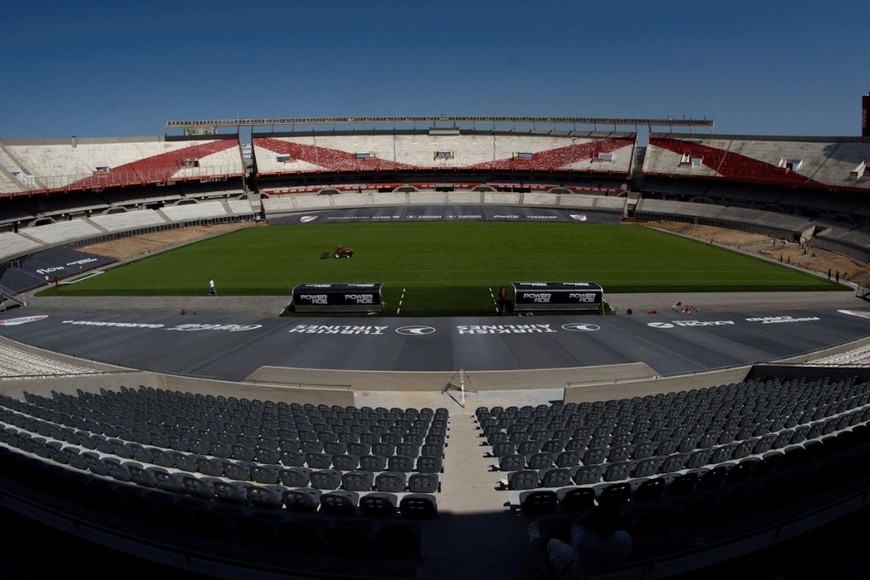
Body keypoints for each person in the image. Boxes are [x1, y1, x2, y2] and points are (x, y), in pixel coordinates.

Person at [547, 505, 632, 579]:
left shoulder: (583, 542)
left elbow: (576, 523)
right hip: (611, 575)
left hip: (579, 574)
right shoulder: (625, 538)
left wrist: (590, 515)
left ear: (593, 523)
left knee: (552, 543)